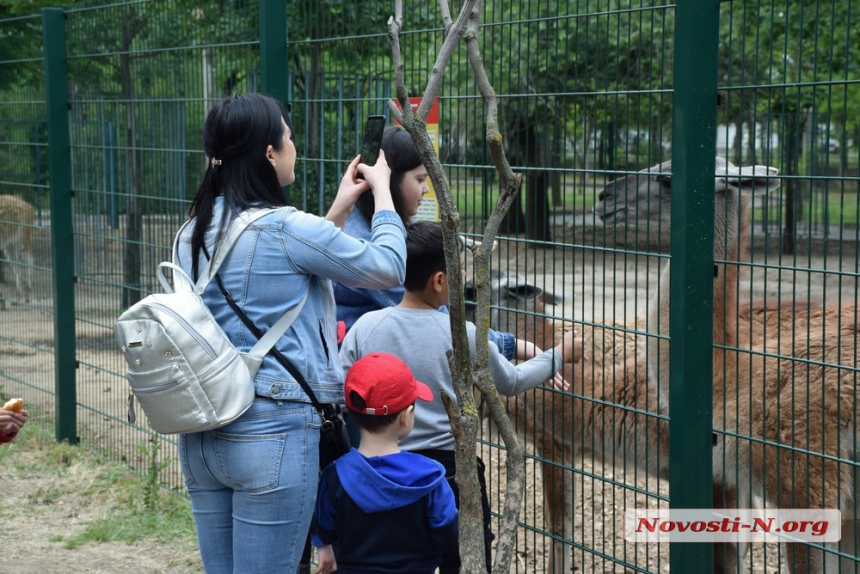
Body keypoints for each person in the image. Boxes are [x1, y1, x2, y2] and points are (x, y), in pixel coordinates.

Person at [172, 93, 407, 574]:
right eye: (290, 136)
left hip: (202, 434)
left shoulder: (190, 231)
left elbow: (273, 278)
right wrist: (382, 191)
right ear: (268, 152)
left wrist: (340, 207)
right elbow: (388, 267)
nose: (294, 146)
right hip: (271, 435)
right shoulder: (286, 228)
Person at [339, 220, 583, 573]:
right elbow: (511, 381)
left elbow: (340, 386)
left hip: (378, 470)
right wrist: (559, 354)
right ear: (439, 281)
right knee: (464, 558)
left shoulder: (366, 328)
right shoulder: (461, 334)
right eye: (460, 277)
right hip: (450, 474)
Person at [312, 352, 458, 574]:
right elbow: (448, 538)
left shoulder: (334, 476)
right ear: (406, 416)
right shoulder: (432, 476)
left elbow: (325, 531)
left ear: (350, 412)